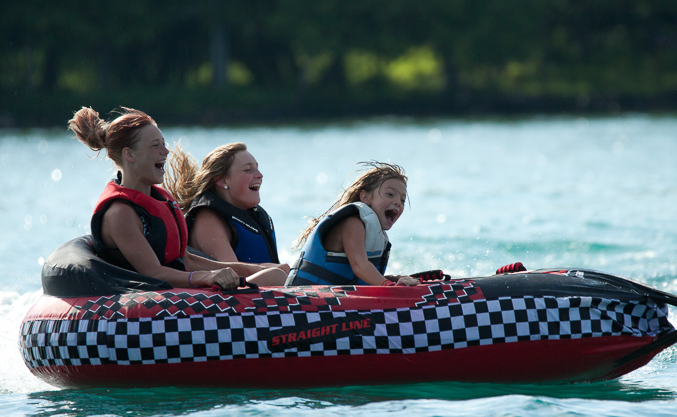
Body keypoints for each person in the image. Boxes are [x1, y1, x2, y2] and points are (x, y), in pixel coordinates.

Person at [68, 106, 285, 289]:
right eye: (156, 146)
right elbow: (153, 273)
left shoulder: (161, 199)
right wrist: (206, 278)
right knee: (276, 278)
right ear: (129, 155)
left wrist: (254, 269)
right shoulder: (120, 214)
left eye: (164, 143)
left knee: (277, 273)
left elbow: (186, 259)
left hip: (180, 290)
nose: (166, 151)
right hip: (146, 307)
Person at [163, 142, 290, 278]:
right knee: (278, 275)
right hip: (230, 294)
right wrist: (276, 271)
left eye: (257, 168)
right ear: (223, 181)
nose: (260, 175)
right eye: (248, 170)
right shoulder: (208, 218)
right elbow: (232, 274)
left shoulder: (255, 214)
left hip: (262, 292)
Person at [285, 162, 419, 287]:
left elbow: (355, 278)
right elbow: (359, 266)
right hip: (305, 298)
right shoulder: (352, 224)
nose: (397, 202)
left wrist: (395, 279)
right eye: (390, 194)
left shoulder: (375, 233)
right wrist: (390, 287)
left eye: (402, 200)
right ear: (366, 198)